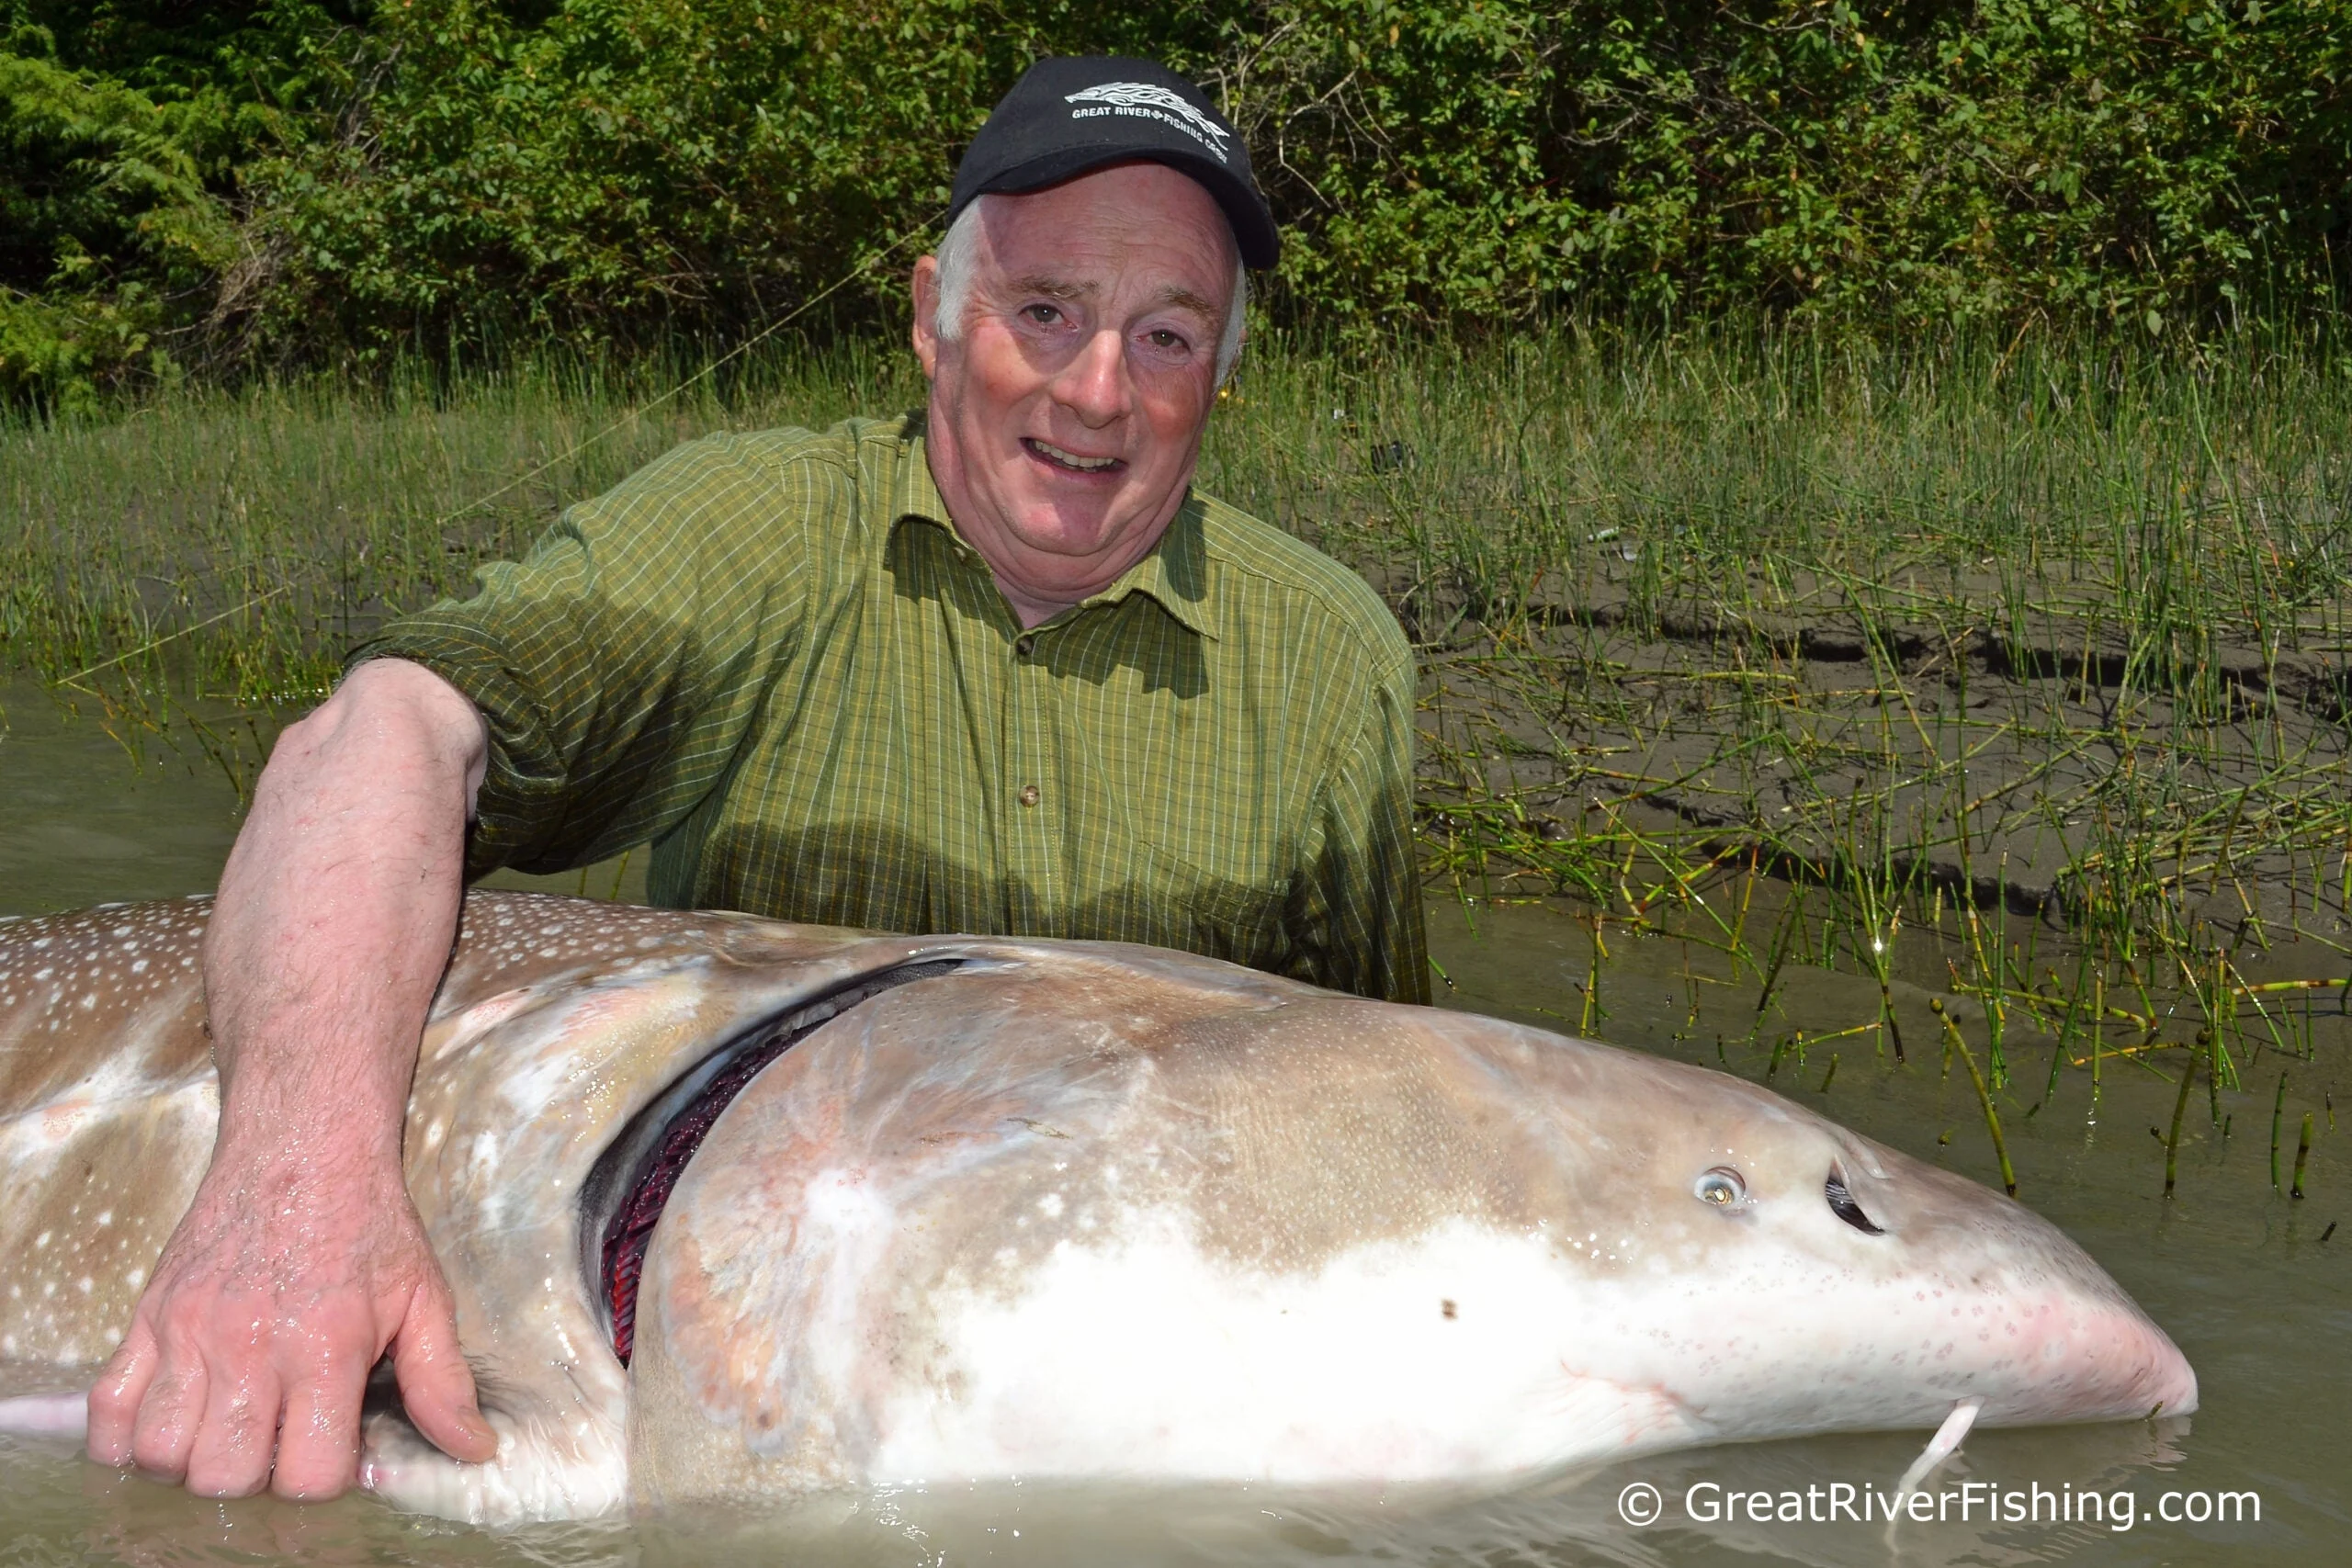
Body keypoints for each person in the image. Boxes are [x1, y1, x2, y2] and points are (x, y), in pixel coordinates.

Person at [85, 56, 1426, 1501]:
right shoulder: (753, 531)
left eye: (1167, 336)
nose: (1097, 392)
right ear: (933, 315)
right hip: (729, 1370)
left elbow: (1382, 1118)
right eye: (1046, 311)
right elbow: (385, 735)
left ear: (1224, 374)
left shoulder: (1334, 660)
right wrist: (293, 1193)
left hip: (1106, 1387)